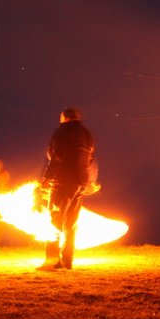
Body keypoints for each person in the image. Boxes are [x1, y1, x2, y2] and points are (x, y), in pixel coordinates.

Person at [38, 107, 97, 271]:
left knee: (54, 220)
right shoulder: (87, 134)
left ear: (64, 117)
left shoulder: (62, 132)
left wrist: (47, 177)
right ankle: (67, 261)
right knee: (71, 223)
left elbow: (57, 155)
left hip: (63, 181)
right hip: (80, 183)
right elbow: (90, 160)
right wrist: (90, 180)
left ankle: (51, 260)